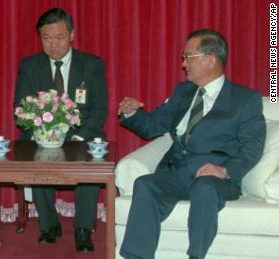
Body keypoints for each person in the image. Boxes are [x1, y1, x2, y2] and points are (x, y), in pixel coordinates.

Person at [117, 29, 266, 259]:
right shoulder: (183, 93)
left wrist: (224, 170)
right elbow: (153, 125)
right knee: (145, 184)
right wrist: (131, 114)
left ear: (211, 59)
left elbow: (252, 147)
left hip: (215, 176)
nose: (184, 63)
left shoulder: (245, 100)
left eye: (189, 57)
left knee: (204, 188)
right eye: (183, 58)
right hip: (177, 171)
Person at [13, 8, 108, 253]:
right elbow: (20, 107)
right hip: (42, 134)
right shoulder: (29, 65)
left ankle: (83, 228)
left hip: (82, 134)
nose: (53, 45)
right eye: (46, 38)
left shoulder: (92, 65)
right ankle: (49, 225)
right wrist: (44, 134)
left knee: (90, 157)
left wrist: (76, 137)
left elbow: (99, 109)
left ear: (72, 35)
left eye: (59, 38)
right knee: (37, 154)